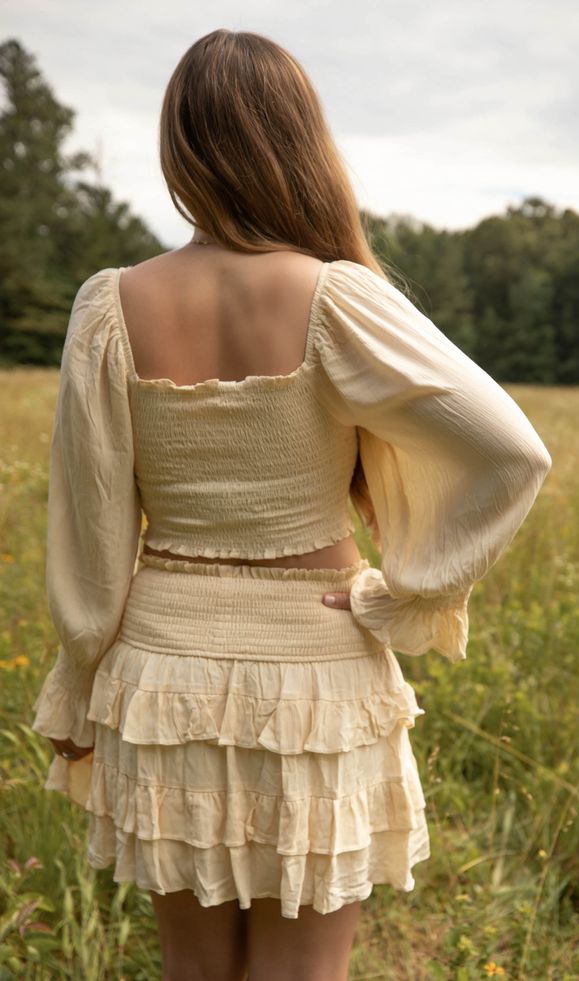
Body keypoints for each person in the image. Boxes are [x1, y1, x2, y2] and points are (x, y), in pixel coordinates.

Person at [29, 28, 552, 981]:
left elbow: (90, 519)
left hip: (161, 675)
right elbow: (512, 450)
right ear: (296, 140)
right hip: (317, 669)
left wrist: (75, 678)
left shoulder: (109, 305)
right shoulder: (335, 297)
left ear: (179, 146)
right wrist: (409, 594)